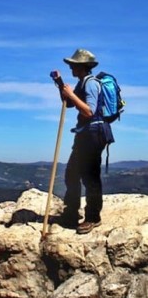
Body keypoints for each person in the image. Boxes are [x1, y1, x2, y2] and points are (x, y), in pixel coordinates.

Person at [56, 48, 114, 234]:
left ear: (81, 66)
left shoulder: (90, 84)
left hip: (94, 134)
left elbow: (88, 111)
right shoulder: (82, 83)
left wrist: (71, 94)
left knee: (90, 177)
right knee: (72, 173)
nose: (71, 67)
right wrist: (60, 85)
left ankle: (92, 217)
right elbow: (71, 104)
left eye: (73, 64)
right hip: (86, 134)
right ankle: (71, 211)